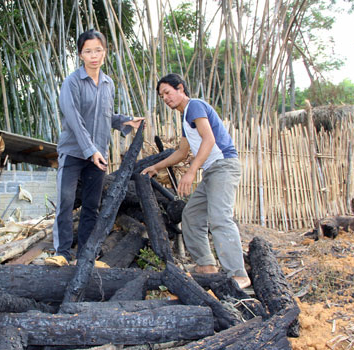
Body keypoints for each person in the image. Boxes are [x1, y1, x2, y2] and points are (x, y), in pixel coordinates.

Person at [142, 73, 251, 289]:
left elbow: (209, 139)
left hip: (224, 166)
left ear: (180, 88)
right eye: (161, 96)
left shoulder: (195, 106)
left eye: (167, 92)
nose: (165, 98)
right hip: (212, 170)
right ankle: (206, 265)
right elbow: (182, 152)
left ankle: (239, 274)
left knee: (220, 218)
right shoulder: (185, 118)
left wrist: (191, 172)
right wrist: (156, 167)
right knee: (191, 215)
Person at [45, 29, 143, 268]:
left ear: (105, 52)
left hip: (98, 154)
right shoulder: (72, 82)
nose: (94, 55)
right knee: (66, 202)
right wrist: (90, 150)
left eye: (98, 50)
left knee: (91, 206)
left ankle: (85, 257)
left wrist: (125, 121)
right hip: (73, 151)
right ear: (80, 55)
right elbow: (74, 120)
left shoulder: (108, 84)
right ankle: (62, 253)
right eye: (88, 51)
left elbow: (104, 116)